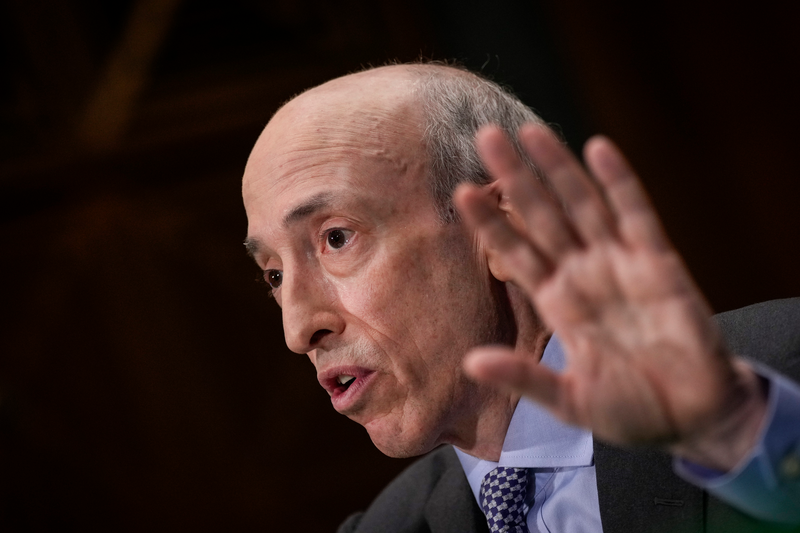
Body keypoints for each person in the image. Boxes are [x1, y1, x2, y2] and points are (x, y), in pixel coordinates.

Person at [242, 63, 800, 532]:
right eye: (273, 275)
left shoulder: (779, 375)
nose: (298, 329)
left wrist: (736, 433)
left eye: (336, 238)